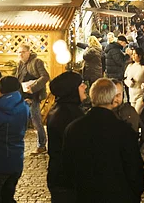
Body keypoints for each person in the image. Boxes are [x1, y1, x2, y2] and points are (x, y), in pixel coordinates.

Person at [63, 78, 144, 203]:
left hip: (84, 195)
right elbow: (134, 168)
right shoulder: (124, 131)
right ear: (112, 99)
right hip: (118, 195)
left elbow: (67, 168)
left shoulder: (73, 129)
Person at [47, 71, 87, 202]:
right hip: (67, 180)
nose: (85, 87)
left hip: (60, 176)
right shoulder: (70, 115)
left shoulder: (60, 109)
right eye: (80, 84)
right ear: (72, 90)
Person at [16, 44, 50, 154]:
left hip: (34, 96)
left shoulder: (37, 62)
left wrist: (33, 87)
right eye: (19, 52)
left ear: (28, 52)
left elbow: (45, 76)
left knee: (36, 121)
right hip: (22, 96)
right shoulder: (20, 64)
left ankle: (41, 144)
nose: (20, 54)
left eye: (23, 52)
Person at [124, 47, 144, 113]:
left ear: (140, 55)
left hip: (141, 94)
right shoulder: (130, 66)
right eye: (132, 54)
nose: (133, 56)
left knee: (137, 113)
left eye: (134, 54)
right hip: (132, 93)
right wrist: (128, 82)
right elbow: (125, 78)